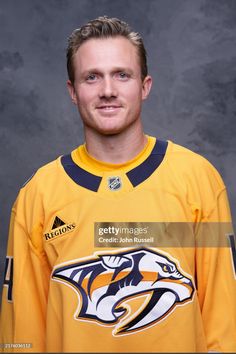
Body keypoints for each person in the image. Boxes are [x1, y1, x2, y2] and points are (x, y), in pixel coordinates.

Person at [0, 16, 236, 353]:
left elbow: (225, 325)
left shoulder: (198, 180)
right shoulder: (38, 195)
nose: (107, 90)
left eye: (122, 75)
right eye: (92, 77)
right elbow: (19, 338)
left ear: (145, 85)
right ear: (72, 91)